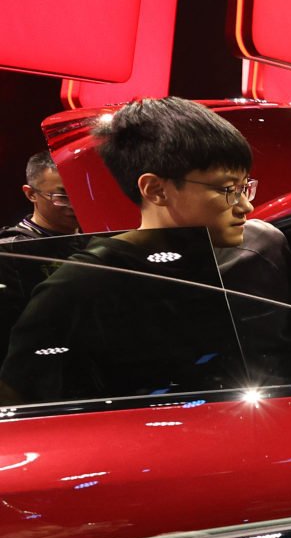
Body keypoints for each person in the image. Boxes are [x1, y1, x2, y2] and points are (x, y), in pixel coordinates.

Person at [0, 98, 255, 405]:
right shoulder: (82, 284)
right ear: (156, 190)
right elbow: (14, 397)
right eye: (228, 189)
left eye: (244, 187)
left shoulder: (208, 260)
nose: (246, 206)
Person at [3, 152, 77, 241]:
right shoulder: (9, 247)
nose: (75, 205)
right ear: (31, 194)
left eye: (83, 195)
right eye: (63, 196)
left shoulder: (88, 238)